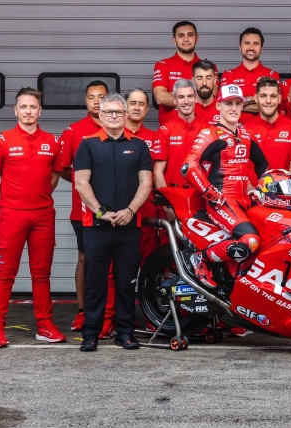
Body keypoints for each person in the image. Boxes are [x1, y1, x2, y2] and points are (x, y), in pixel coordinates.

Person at [0, 87, 65, 347]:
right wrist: (4, 205)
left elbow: (55, 175)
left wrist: (39, 197)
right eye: (24, 107)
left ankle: (45, 326)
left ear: (39, 110)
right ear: (15, 110)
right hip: (12, 216)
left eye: (33, 107)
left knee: (41, 274)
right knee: (5, 273)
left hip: (43, 216)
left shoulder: (52, 141)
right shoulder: (2, 140)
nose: (28, 111)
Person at [74, 93, 153, 351]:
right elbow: (81, 183)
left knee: (126, 282)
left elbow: (146, 183)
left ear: (126, 115)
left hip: (129, 226)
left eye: (119, 112)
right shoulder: (88, 145)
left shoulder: (139, 146)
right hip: (96, 226)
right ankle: (91, 334)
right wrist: (100, 212)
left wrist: (131, 210)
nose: (114, 116)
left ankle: (125, 333)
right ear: (101, 115)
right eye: (109, 112)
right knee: (95, 282)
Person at [182, 84, 268, 287]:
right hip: (222, 202)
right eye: (229, 103)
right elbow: (188, 167)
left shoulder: (246, 134)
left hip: (246, 202)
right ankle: (200, 258)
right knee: (250, 240)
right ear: (218, 105)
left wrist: (261, 189)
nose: (234, 108)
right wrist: (209, 192)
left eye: (238, 103)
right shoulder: (210, 133)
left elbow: (263, 164)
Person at [59, 79, 107, 332]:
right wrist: (84, 182)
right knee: (85, 258)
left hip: (116, 209)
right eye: (91, 97)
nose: (97, 102)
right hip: (83, 210)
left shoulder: (117, 127)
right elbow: (62, 168)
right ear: (85, 101)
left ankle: (110, 313)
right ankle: (82, 311)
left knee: (114, 261)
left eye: (101, 97)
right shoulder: (73, 131)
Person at [124, 88, 160, 266]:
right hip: (119, 212)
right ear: (124, 107)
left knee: (148, 263)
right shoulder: (113, 136)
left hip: (148, 211)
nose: (137, 108)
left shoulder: (156, 137)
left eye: (141, 104)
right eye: (132, 103)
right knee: (118, 266)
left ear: (146, 109)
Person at [153, 79, 205, 190]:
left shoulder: (207, 129)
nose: (186, 101)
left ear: (196, 98)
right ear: (174, 100)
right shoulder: (165, 130)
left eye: (190, 96)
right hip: (173, 197)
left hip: (201, 197)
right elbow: (158, 172)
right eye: (181, 97)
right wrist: (167, 199)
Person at [152, 21, 206, 126]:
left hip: (201, 129)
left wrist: (175, 95)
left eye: (190, 35)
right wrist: (195, 97)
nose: (186, 39)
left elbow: (209, 99)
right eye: (181, 35)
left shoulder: (208, 67)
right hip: (169, 130)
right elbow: (160, 97)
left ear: (197, 38)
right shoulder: (163, 65)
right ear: (174, 40)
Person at [243, 76, 291, 171]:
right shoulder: (245, 130)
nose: (268, 101)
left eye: (273, 96)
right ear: (256, 98)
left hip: (285, 181)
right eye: (263, 96)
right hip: (254, 182)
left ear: (279, 98)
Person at [221, 27, 279, 117]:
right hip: (235, 126)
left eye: (256, 44)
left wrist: (240, 101)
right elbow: (225, 106)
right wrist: (254, 100)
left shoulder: (272, 75)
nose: (251, 48)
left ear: (261, 48)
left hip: (262, 125)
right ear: (240, 47)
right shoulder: (228, 75)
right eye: (247, 43)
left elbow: (272, 107)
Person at [192, 59, 221, 126]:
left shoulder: (224, 109)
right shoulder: (184, 109)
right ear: (193, 81)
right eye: (199, 78)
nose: (204, 83)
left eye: (208, 78)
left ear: (214, 80)